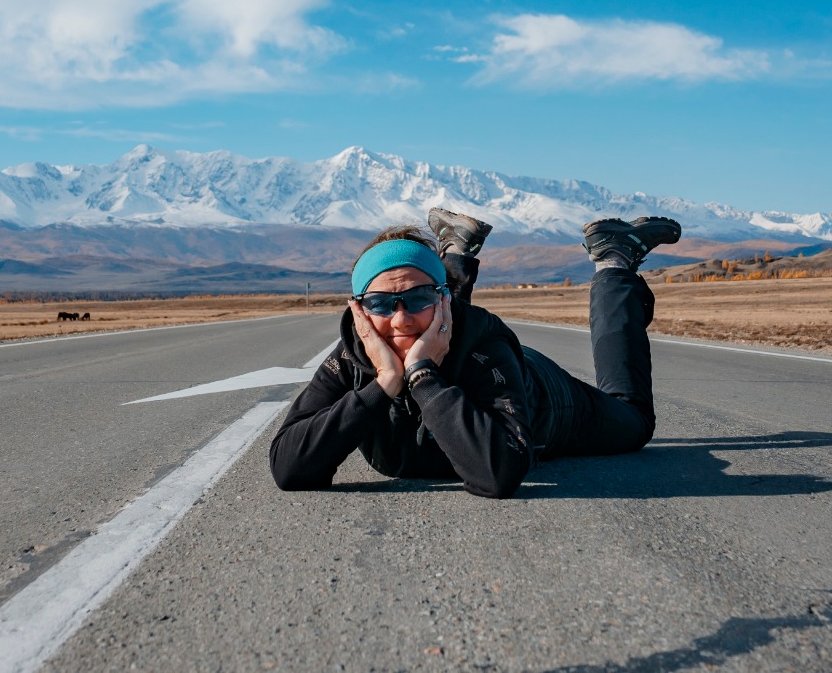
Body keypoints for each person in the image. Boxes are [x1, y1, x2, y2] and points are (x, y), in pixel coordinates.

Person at [269, 209, 681, 499]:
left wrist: (422, 375)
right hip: (452, 342)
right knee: (420, 314)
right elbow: (289, 468)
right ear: (358, 309)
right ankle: (455, 253)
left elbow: (497, 474)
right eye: (379, 304)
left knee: (633, 423)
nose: (398, 321)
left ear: (444, 299)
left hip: (540, 392)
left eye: (418, 298)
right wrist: (384, 385)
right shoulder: (356, 353)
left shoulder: (485, 343)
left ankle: (614, 262)